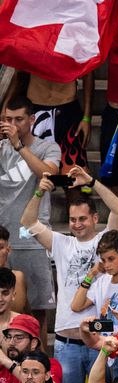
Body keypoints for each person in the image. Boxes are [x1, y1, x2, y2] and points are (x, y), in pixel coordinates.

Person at [18, 167, 118, 383]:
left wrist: (92, 182)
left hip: (101, 340)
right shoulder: (61, 243)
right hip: (67, 342)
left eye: (82, 219)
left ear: (95, 218)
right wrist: (39, 191)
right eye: (73, 219)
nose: (77, 224)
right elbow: (27, 222)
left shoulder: (105, 242)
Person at [0, 95, 62, 317]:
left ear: (32, 120)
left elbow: (49, 173)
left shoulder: (48, 147)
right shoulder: (1, 148)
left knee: (37, 312)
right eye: (8, 120)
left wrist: (19, 146)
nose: (13, 125)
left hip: (32, 238)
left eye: (19, 119)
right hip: (2, 240)